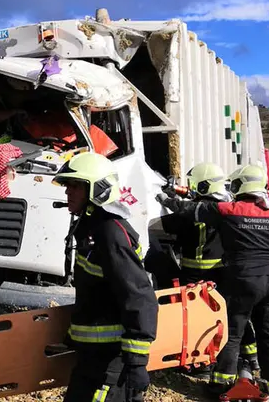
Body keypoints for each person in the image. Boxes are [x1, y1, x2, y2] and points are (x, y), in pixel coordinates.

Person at [156, 164, 269, 401]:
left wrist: (170, 199)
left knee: (232, 334)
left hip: (240, 282)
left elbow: (193, 211)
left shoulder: (230, 210)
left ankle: (220, 386)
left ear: (241, 185)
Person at [53, 152, 158, 402]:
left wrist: (136, 363)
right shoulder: (91, 228)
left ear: (96, 189)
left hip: (111, 360)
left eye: (75, 186)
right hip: (91, 356)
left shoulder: (110, 233)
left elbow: (140, 297)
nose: (68, 193)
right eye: (67, 186)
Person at [159, 162, 259, 373]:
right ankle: (251, 357)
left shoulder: (197, 211)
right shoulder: (228, 206)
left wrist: (166, 202)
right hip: (225, 274)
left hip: (196, 275)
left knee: (199, 319)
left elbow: (172, 223)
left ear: (203, 186)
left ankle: (203, 363)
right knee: (231, 316)